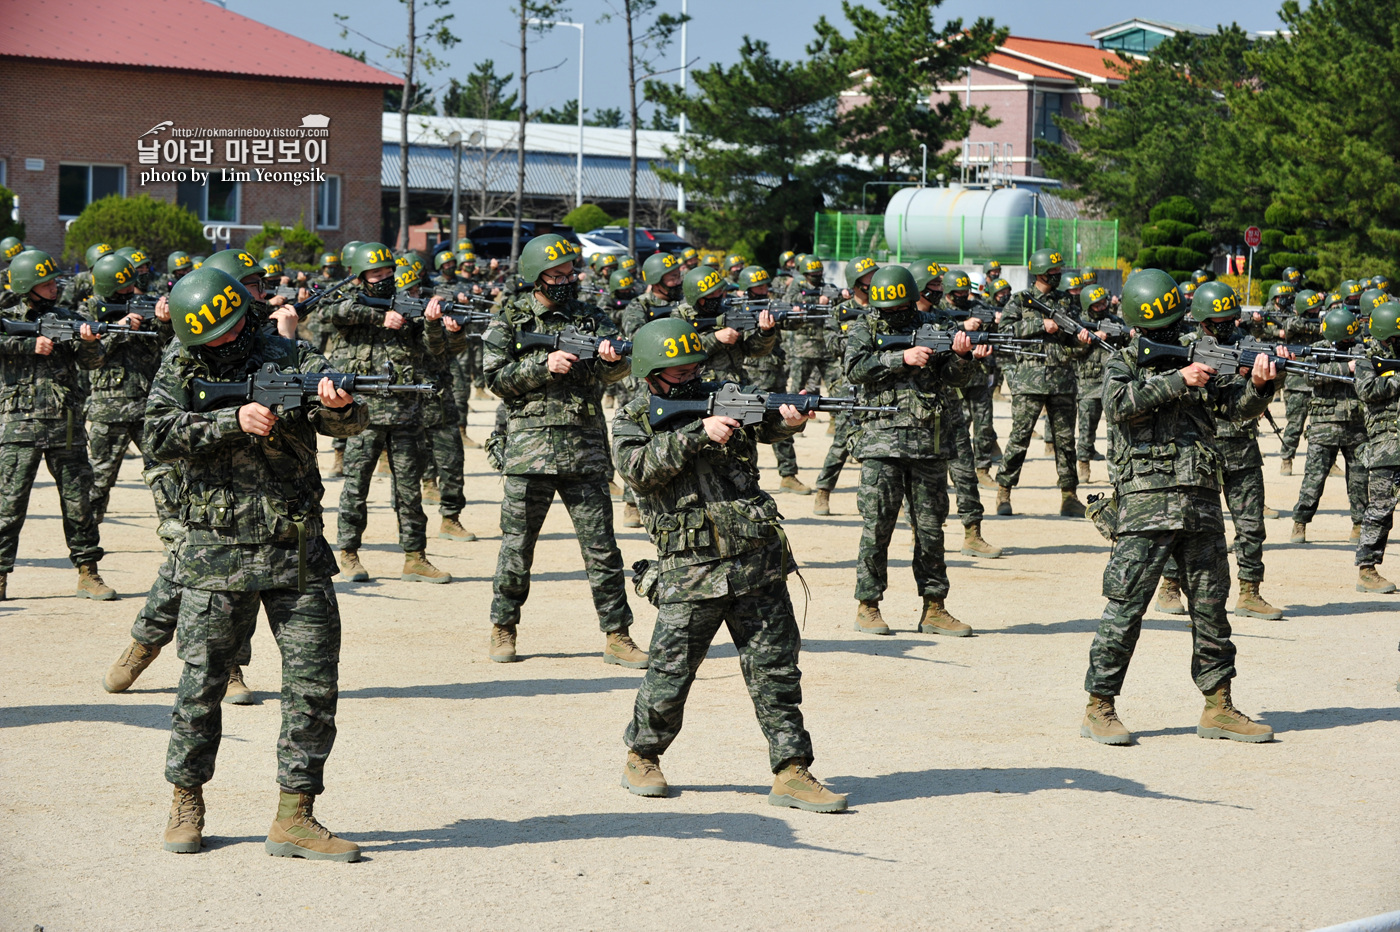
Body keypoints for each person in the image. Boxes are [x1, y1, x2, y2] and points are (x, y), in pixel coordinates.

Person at [145, 266, 367, 860]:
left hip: (295, 549)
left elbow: (346, 420)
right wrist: (230, 419)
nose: (220, 342)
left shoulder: (288, 354)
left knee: (314, 686)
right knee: (201, 684)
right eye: (208, 337)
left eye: (228, 330)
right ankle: (186, 801)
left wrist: (341, 407)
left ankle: (295, 815)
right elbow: (157, 433)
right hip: (216, 551)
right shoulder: (181, 362)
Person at [614, 317, 846, 813]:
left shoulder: (725, 393)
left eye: (694, 368)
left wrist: (790, 418)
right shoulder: (634, 414)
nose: (690, 378)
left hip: (755, 561)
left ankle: (791, 770)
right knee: (670, 675)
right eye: (677, 373)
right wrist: (698, 434)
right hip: (690, 569)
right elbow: (637, 470)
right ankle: (643, 754)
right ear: (651, 374)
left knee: (776, 671)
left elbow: (768, 422)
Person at [1081, 269, 1276, 746]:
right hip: (1147, 503)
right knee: (1126, 607)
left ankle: (1218, 706)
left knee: (1211, 608)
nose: (1168, 332)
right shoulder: (1123, 360)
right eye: (1158, 327)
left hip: (1201, 498)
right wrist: (1178, 380)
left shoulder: (1199, 352)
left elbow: (1233, 409)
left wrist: (1262, 384)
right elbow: (1119, 405)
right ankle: (1098, 706)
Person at [482, 232, 644, 667]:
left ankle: (617, 635)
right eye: (559, 274)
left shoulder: (590, 317)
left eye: (572, 271)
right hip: (528, 452)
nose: (569, 280)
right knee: (516, 549)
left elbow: (616, 374)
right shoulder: (510, 319)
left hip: (584, 450)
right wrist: (543, 365)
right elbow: (494, 379)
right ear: (537, 276)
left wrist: (614, 361)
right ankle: (503, 626)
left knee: (603, 550)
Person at [845, 265, 989, 636]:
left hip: (928, 441)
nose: (892, 315)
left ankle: (934, 607)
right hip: (881, 443)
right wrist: (900, 358)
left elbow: (953, 378)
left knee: (930, 529)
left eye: (900, 308)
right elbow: (854, 368)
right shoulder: (866, 326)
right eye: (886, 308)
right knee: (877, 527)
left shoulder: (935, 324)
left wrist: (963, 358)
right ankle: (868, 604)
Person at [326, 242, 451, 584]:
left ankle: (415, 557)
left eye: (388, 273)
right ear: (360, 276)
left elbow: (435, 352)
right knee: (356, 487)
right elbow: (333, 313)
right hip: (362, 414)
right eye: (376, 274)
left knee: (409, 490)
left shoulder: (409, 305)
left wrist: (433, 324)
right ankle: (349, 553)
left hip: (405, 413)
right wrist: (380, 317)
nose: (383, 279)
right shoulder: (352, 304)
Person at [0, 249, 114, 601]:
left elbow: (93, 364)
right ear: (26, 285)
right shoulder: (6, 319)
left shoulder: (69, 317)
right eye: (46, 282)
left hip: (65, 424)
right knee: (8, 505)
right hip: (19, 424)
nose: (54, 287)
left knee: (79, 502)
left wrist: (90, 342)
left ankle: (88, 573)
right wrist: (29, 345)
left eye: (54, 281)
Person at [995, 248, 1091, 518]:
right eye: (1053, 271)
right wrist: (1041, 324)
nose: (1058, 275)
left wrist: (1082, 342)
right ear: (1039, 272)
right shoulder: (1020, 300)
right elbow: (1005, 333)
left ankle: (1069, 496)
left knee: (1065, 442)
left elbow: (1074, 346)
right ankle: (1004, 491)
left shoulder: (1066, 302)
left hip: (1062, 380)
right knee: (1019, 438)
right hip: (1029, 380)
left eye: (1059, 271)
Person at [80, 253, 169, 524]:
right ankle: (88, 543)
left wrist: (164, 321)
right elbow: (91, 358)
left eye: (132, 283)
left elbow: (166, 345)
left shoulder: (145, 303)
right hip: (109, 410)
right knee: (98, 482)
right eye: (124, 286)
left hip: (148, 408)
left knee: (165, 478)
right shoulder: (88, 312)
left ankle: (176, 542)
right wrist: (120, 328)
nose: (131, 289)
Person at [399, 264, 476, 543]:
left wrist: (453, 332)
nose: (416, 294)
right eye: (409, 290)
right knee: (409, 471)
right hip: (406, 404)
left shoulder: (431, 315)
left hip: (440, 399)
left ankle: (451, 518)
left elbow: (447, 351)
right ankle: (410, 536)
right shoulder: (390, 322)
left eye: (418, 288)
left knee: (452, 461)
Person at [1289, 307, 1368, 545]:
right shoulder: (1317, 350)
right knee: (1313, 480)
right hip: (1324, 426)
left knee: (1359, 480)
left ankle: (1359, 524)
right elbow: (1311, 375)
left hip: (1356, 426)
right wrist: (1347, 368)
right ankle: (1300, 522)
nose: (1351, 339)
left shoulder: (1361, 350)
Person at [735, 264, 811, 495]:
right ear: (747, 289)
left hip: (775, 373)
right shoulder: (737, 309)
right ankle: (748, 483)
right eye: (757, 287)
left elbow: (793, 323)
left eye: (765, 286)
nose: (763, 290)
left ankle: (788, 475)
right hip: (751, 379)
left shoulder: (771, 305)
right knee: (747, 432)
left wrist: (797, 312)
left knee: (784, 421)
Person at [812, 256, 875, 516]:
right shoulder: (840, 312)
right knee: (841, 441)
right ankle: (823, 491)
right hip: (847, 384)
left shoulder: (885, 307)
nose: (873, 282)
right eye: (868, 278)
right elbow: (831, 344)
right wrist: (859, 336)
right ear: (856, 283)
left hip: (877, 383)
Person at [1354, 300, 1400, 593]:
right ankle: (1367, 569)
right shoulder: (1365, 359)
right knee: (1380, 511)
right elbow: (1367, 390)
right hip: (1386, 448)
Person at [1074, 284, 1124, 483]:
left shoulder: (1116, 322)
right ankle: (1083, 464)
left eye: (1104, 302)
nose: (1102, 307)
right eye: (1097, 305)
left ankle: (1115, 473)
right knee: (1086, 429)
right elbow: (1071, 353)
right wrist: (1088, 341)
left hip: (1112, 383)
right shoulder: (1079, 326)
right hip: (1088, 385)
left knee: (1115, 434)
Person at [1278, 289, 1324, 474]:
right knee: (1295, 425)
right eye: (1311, 310)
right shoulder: (1293, 321)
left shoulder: (1322, 323)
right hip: (1297, 383)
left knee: (1322, 427)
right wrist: (1318, 328)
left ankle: (1328, 464)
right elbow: (1292, 325)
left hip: (1317, 379)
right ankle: (1286, 458)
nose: (1315, 313)